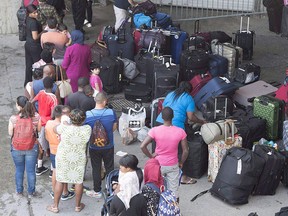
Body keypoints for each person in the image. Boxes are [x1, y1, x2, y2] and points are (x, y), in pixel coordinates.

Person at [155, 81, 206, 184]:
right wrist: (201, 122)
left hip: (160, 122)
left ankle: (160, 172)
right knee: (180, 151)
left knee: (162, 150)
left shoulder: (170, 94)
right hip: (175, 127)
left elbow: (165, 109)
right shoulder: (189, 98)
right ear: (189, 91)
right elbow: (191, 117)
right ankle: (182, 176)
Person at [46, 109, 92, 213]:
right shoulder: (87, 129)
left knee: (60, 180)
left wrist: (65, 124)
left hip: (64, 157)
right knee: (78, 181)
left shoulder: (64, 128)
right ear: (83, 119)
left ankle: (55, 206)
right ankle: (77, 206)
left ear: (71, 119)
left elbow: (54, 129)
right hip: (79, 158)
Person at [141, 107, 189, 200]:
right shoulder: (180, 131)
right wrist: (181, 162)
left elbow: (142, 146)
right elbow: (185, 150)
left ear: (162, 117)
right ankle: (174, 211)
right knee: (174, 192)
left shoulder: (155, 130)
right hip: (173, 164)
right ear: (173, 117)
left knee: (157, 188)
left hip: (158, 165)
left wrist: (151, 157)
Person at [84, 92, 117, 198]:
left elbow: (85, 130)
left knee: (96, 167)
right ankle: (110, 189)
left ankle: (97, 190)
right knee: (109, 167)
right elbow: (114, 127)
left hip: (94, 146)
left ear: (95, 101)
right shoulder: (111, 112)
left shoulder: (88, 114)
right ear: (105, 101)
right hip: (108, 145)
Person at [8, 96, 41, 197]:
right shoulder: (36, 117)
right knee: (31, 171)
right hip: (31, 147)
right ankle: (31, 191)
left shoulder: (13, 119)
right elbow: (38, 130)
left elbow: (10, 133)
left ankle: (19, 191)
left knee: (19, 170)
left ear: (18, 106)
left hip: (17, 147)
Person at [45, 105, 75, 201]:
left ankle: (55, 191)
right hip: (62, 151)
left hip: (53, 150)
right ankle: (65, 192)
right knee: (64, 173)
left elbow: (46, 137)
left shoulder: (49, 123)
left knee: (55, 171)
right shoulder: (62, 127)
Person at [32, 77, 58, 176]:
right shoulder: (53, 98)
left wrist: (37, 112)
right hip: (49, 124)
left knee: (41, 146)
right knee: (52, 146)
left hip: (40, 122)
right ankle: (52, 170)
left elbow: (32, 101)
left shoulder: (41, 93)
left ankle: (39, 167)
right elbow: (52, 115)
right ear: (53, 85)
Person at [24, 4, 42, 87]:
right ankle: (38, 84)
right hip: (34, 46)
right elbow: (35, 37)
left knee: (28, 65)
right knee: (38, 65)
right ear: (29, 13)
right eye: (34, 13)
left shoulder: (27, 19)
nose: (37, 14)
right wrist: (42, 32)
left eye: (37, 12)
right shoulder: (33, 22)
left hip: (28, 44)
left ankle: (27, 83)